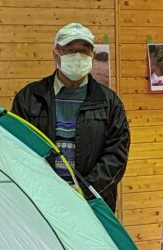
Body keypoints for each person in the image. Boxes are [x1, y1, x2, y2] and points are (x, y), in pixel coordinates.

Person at [11, 23, 131, 212]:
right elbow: (17, 150)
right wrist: (48, 191)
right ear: (56, 53)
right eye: (70, 50)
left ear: (92, 55)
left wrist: (84, 191)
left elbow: (116, 155)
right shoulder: (29, 98)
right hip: (42, 203)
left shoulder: (109, 102)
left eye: (83, 51)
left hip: (93, 204)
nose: (77, 56)